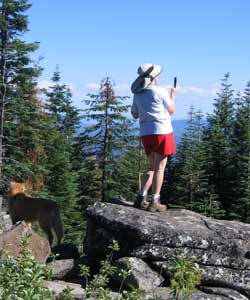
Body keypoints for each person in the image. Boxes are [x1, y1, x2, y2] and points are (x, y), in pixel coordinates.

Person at [131, 63, 177, 212]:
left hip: (146, 133)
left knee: (152, 167)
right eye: (156, 75)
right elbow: (171, 110)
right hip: (162, 131)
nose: (158, 77)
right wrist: (173, 95)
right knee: (160, 169)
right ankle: (155, 201)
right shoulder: (160, 91)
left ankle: (140, 197)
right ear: (152, 78)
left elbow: (135, 114)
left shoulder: (137, 93)